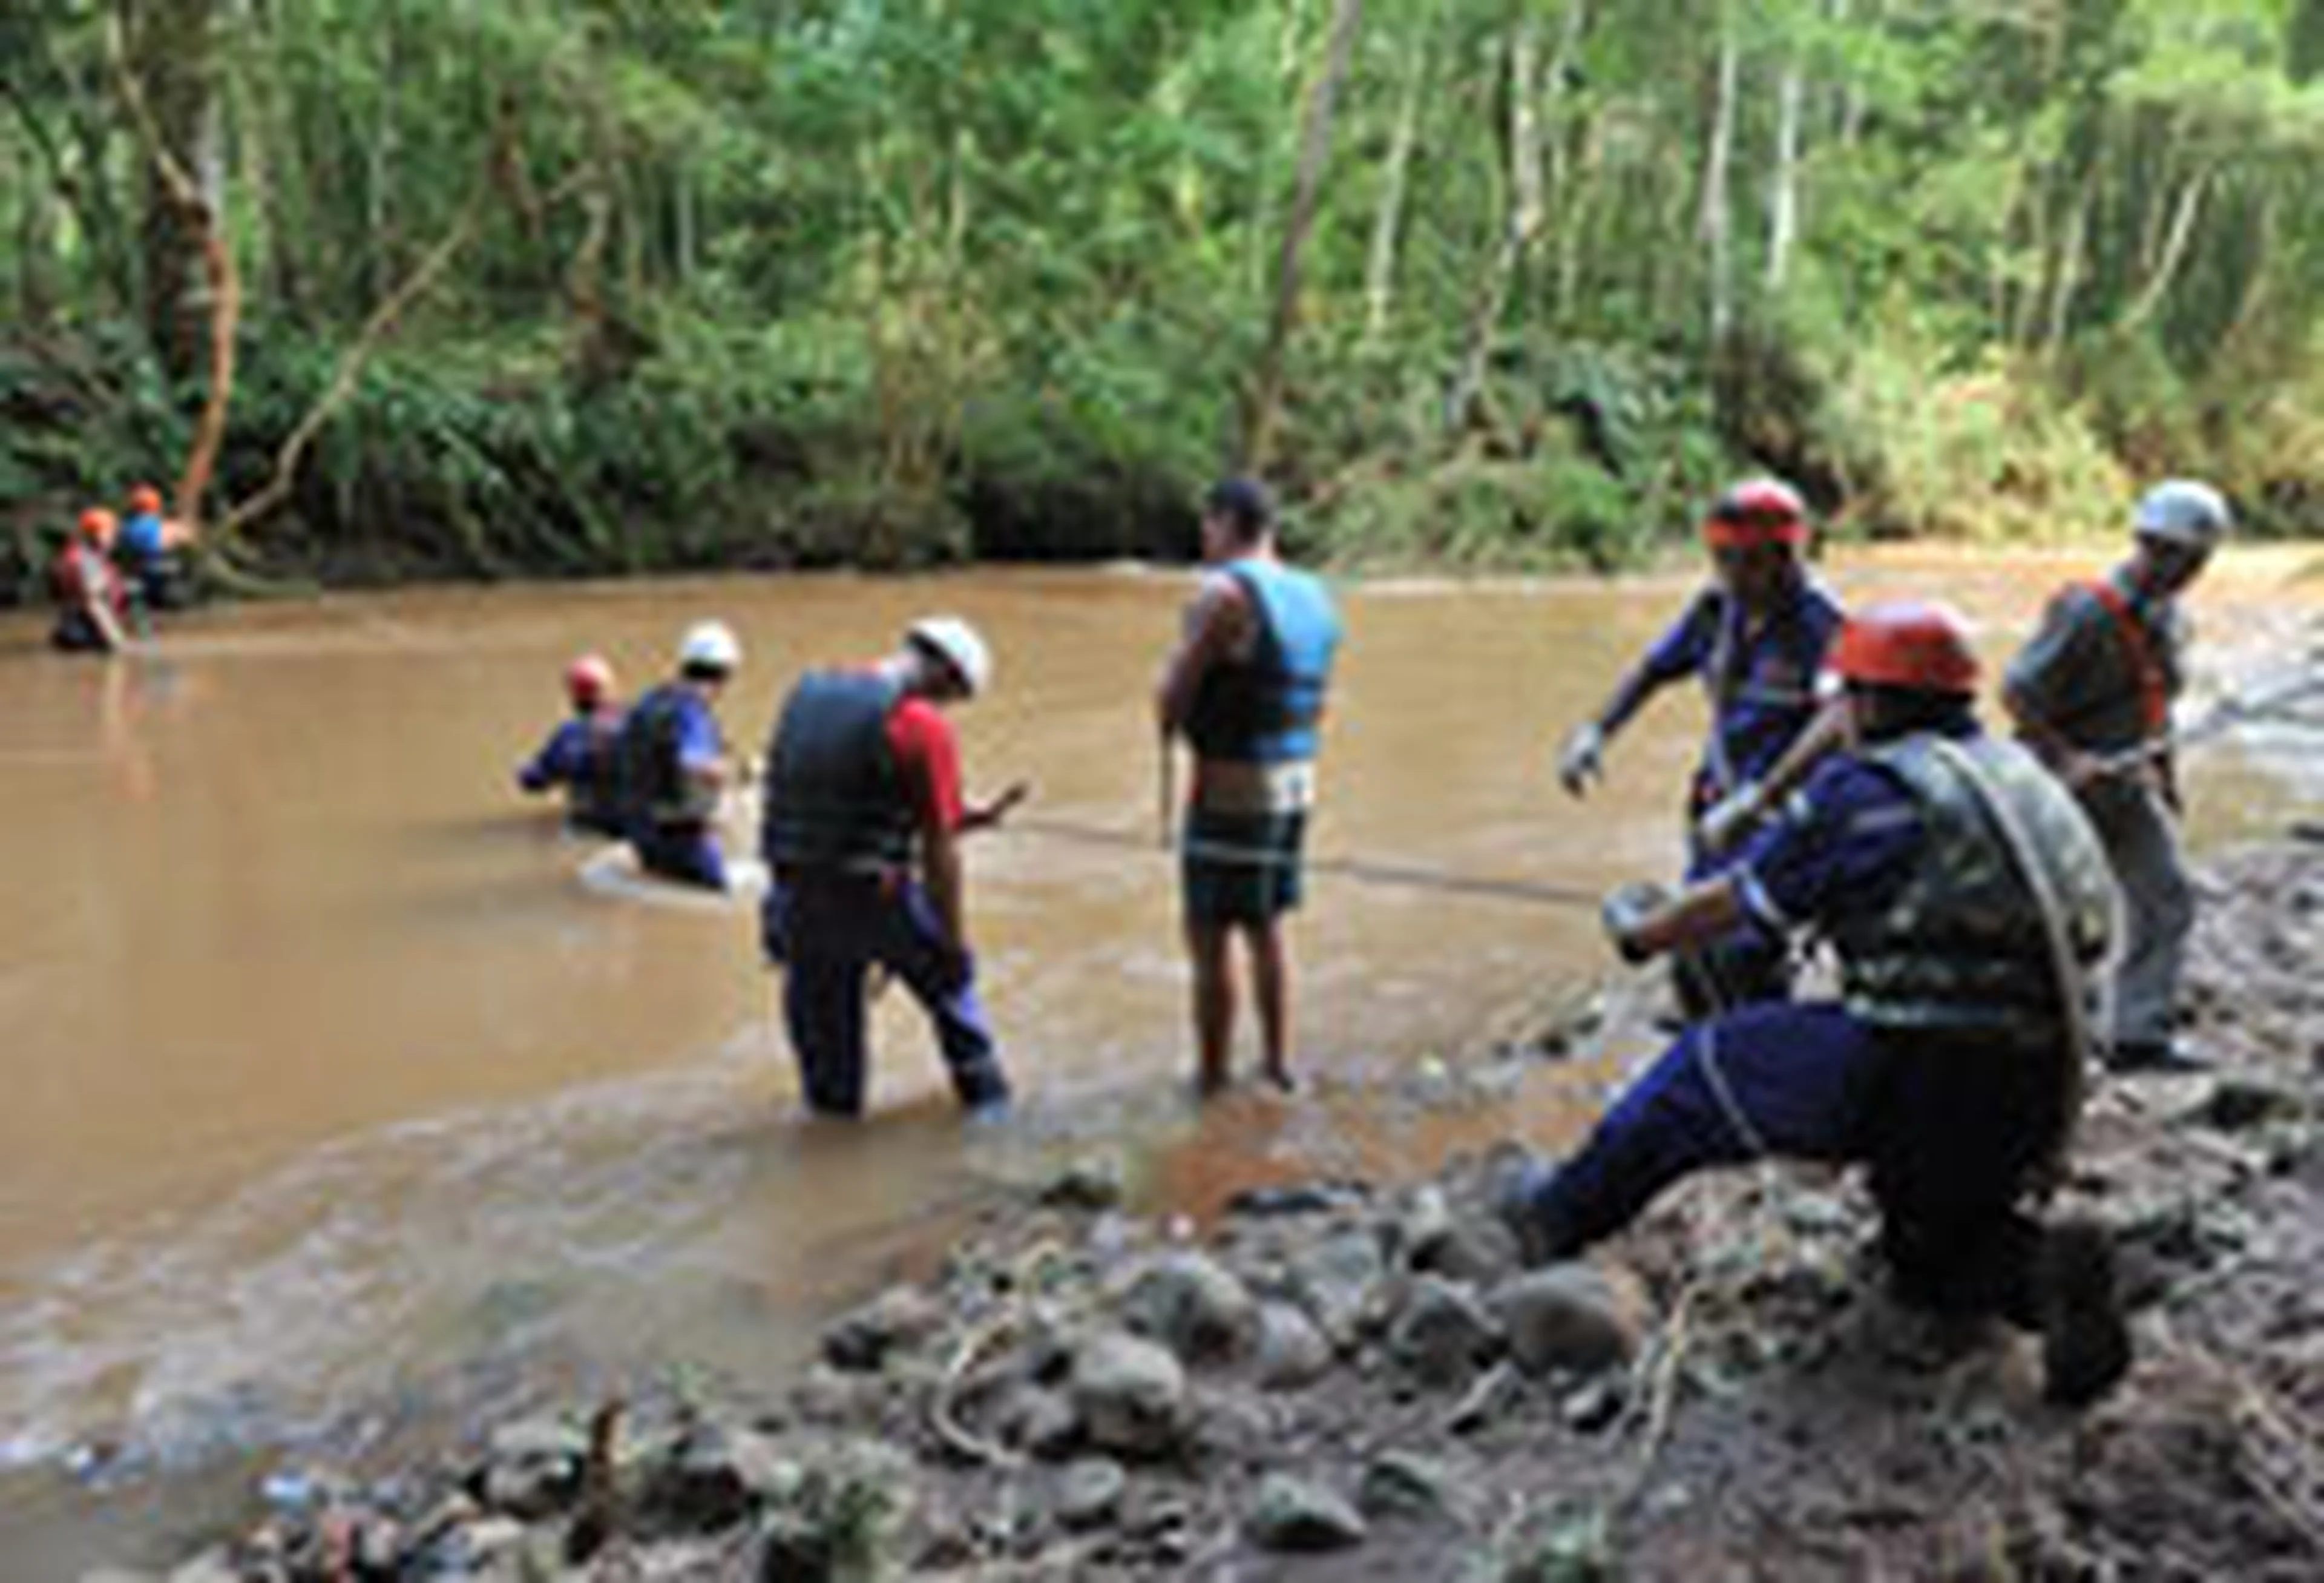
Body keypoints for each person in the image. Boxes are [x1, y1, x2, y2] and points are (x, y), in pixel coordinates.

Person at [1500, 601, 2133, 1407]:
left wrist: (1642, 928)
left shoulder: (1870, 791)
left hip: (1928, 1066)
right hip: (2049, 1074)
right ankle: (2042, 1276)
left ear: (1865, 701)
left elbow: (1740, 900)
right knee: (1928, 1262)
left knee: (1705, 1065)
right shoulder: (2020, 772)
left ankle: (1555, 1215)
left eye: (1843, 701)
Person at [1556, 477, 1843, 1014]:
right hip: (1717, 804)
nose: (1734, 575)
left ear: (1785, 556)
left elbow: (1839, 717)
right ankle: (1700, 1040)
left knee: (1748, 950)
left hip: (1779, 816)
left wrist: (1763, 798)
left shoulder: (1820, 623)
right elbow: (1653, 671)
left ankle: (1750, 1053)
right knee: (1693, 945)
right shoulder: (1715, 612)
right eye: (1723, 559)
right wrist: (1596, 731)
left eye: (1748, 561)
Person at [2004, 481, 2228, 1075]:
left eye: (2190, 560)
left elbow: (2158, 708)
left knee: (2167, 896)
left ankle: (2138, 1034)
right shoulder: (2084, 611)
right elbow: (2018, 693)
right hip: (2058, 786)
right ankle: (2044, 1031)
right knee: (2058, 914)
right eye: (2169, 553)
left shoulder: (2173, 621)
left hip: (2126, 781)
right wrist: (2067, 756)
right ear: (2147, 544)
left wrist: (2167, 778)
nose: (2179, 570)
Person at [759, 617, 1020, 1118]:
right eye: (954, 695)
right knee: (953, 992)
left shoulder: (807, 695)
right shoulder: (920, 724)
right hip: (873, 901)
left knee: (831, 1080)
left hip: (795, 902)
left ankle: (831, 1163)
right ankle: (994, 1120)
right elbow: (939, 854)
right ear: (944, 671)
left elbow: (836, 799)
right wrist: (953, 943)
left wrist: (964, 813)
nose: (948, 708)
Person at [1155, 477, 1343, 1094]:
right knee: (1266, 926)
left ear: (1227, 523)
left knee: (1209, 935)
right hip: (1296, 783)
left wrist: (1163, 696)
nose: (1203, 537)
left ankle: (1211, 1078)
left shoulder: (1223, 594)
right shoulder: (1315, 595)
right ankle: (1278, 1062)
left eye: (1208, 525)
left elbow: (1172, 701)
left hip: (1232, 789)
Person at [611, 621, 742, 889]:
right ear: (725, 674)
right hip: (684, 838)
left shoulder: (650, 701)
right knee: (724, 893)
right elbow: (690, 761)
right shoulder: (691, 712)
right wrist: (733, 773)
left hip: (641, 835)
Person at [517, 653, 627, 837]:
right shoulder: (636, 722)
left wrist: (524, 769)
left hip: (586, 824)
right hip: (634, 821)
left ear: (574, 697)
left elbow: (533, 781)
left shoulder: (569, 735)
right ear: (611, 690)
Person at [50, 508, 135, 654]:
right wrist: (116, 639)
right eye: (111, 532)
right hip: (87, 635)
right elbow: (92, 603)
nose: (115, 537)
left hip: (72, 630)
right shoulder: (88, 561)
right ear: (98, 534)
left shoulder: (77, 554)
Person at [116, 484, 192, 613]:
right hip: (160, 572)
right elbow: (184, 538)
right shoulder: (160, 526)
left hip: (137, 571)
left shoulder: (126, 527)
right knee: (183, 566)